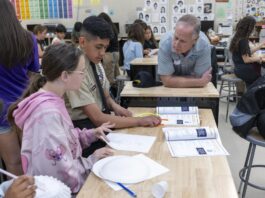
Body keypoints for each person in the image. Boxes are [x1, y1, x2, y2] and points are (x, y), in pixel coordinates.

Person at [8, 44, 114, 193]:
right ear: (64, 76)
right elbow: (61, 173)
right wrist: (92, 160)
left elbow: (64, 139)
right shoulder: (47, 114)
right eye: (82, 72)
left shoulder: (54, 99)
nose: (84, 77)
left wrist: (90, 134)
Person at [66, 16, 160, 136]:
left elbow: (106, 97)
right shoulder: (74, 68)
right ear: (83, 42)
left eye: (105, 47)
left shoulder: (96, 62)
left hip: (101, 122)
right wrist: (138, 121)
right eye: (98, 47)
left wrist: (117, 107)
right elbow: (97, 118)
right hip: (85, 130)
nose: (102, 53)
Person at [0, 0, 40, 176]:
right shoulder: (28, 39)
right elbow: (34, 72)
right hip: (25, 107)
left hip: (1, 111)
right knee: (32, 160)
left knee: (13, 164)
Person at [158, 14, 212, 88]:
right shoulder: (165, 43)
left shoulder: (204, 45)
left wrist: (173, 80)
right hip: (171, 91)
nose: (176, 45)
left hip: (196, 90)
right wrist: (199, 82)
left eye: (183, 41)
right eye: (176, 38)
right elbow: (166, 81)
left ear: (195, 40)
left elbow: (200, 77)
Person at [229, 16, 265, 88]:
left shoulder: (238, 37)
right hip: (244, 70)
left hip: (238, 69)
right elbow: (246, 59)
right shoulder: (243, 40)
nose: (254, 29)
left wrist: (261, 45)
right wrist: (258, 58)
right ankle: (253, 96)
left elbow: (246, 52)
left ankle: (250, 94)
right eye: (253, 27)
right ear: (249, 27)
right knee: (262, 80)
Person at [98, 12, 120, 97]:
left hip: (109, 54)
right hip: (116, 53)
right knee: (116, 75)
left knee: (108, 77)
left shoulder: (106, 29)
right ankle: (118, 94)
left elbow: (107, 44)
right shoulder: (113, 27)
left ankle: (111, 96)